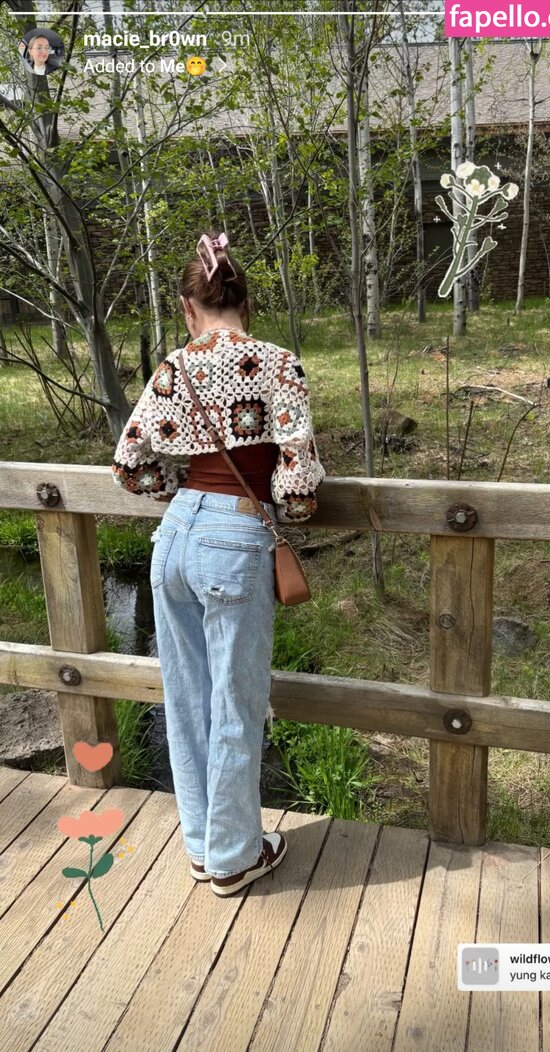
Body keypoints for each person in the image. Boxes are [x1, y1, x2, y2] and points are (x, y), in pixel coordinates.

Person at [112, 231, 325, 896]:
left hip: (175, 536)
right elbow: (298, 486)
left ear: (188, 307)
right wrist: (281, 512)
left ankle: (205, 847)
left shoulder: (173, 369)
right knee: (236, 701)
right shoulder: (279, 364)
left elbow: (129, 464)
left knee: (186, 699)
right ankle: (234, 859)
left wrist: (181, 494)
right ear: (245, 303)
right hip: (235, 536)